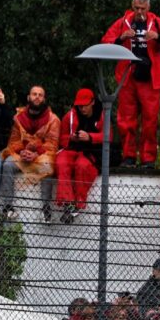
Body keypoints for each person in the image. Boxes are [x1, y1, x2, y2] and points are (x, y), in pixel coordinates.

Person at [101, 0, 160, 166]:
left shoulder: (157, 23)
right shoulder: (124, 21)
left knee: (150, 121)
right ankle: (128, 156)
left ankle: (148, 159)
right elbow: (105, 41)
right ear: (132, 5)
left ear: (148, 8)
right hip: (127, 77)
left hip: (150, 78)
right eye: (136, 8)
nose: (139, 12)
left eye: (142, 8)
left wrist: (158, 37)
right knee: (126, 120)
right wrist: (121, 38)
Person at [0, 85, 59, 221]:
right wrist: (22, 151)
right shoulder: (18, 117)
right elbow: (13, 141)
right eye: (34, 94)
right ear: (28, 97)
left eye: (40, 95)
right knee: (8, 164)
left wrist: (36, 153)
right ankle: (8, 207)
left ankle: (46, 209)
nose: (37, 97)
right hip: (22, 155)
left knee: (48, 167)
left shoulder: (53, 119)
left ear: (44, 99)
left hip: (41, 157)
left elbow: (52, 145)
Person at [54, 88, 103, 223]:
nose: (82, 108)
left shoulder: (102, 115)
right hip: (72, 148)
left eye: (85, 105)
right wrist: (71, 138)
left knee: (82, 165)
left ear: (92, 102)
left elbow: (108, 136)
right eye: (79, 105)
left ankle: (78, 203)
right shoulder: (69, 116)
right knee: (61, 162)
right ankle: (67, 203)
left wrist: (90, 137)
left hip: (91, 151)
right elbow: (62, 138)